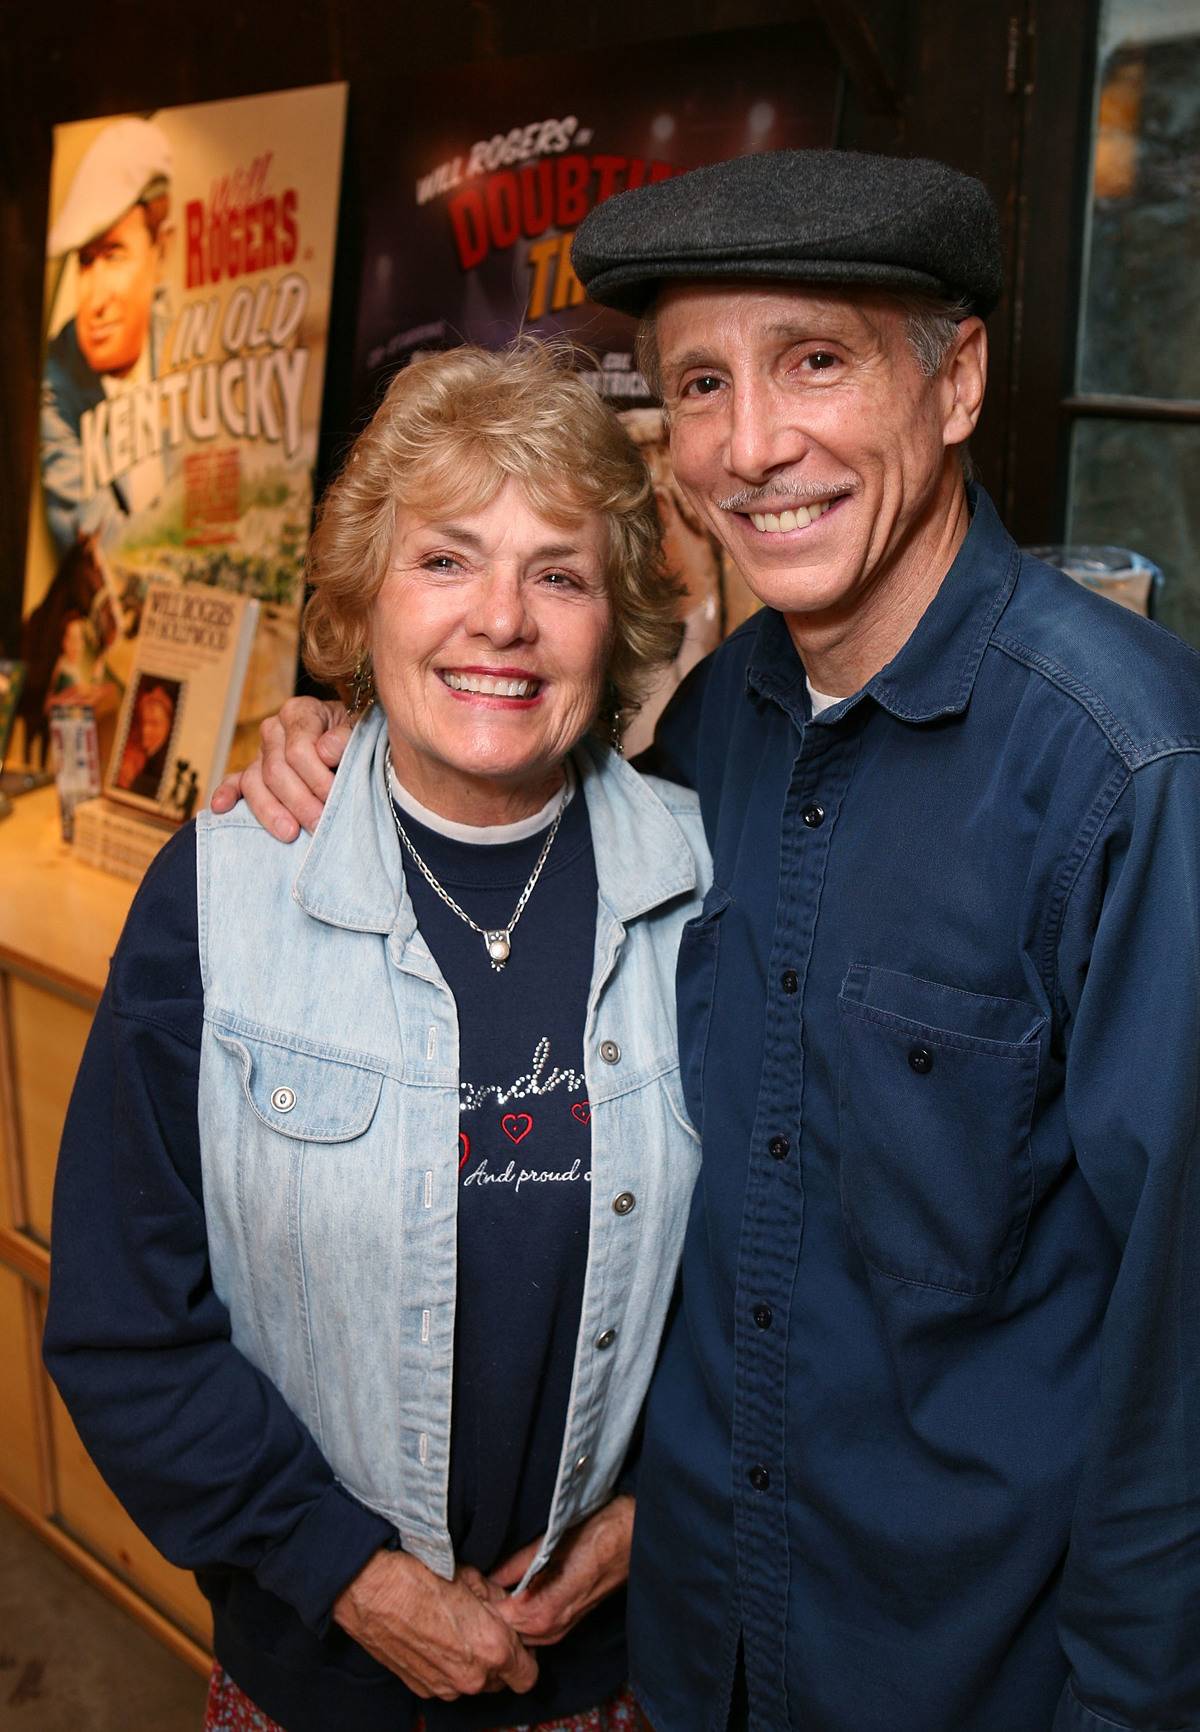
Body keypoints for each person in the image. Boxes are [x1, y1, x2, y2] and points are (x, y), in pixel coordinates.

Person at [223, 149, 1200, 1732]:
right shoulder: (705, 746)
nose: (756, 445)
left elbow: (1182, 1374)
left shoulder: (1129, 775)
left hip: (968, 1680)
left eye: (815, 360)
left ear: (953, 383)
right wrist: (325, 746)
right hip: (697, 1657)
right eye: (699, 382)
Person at [44, 341, 710, 1732]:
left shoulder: (708, 896)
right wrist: (350, 1579)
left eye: (560, 573)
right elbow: (120, 1327)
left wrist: (658, 1513)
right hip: (314, 1683)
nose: (502, 621)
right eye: (447, 560)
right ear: (361, 603)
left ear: (620, 619)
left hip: (614, 1677)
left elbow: (789, 1287)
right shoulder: (223, 895)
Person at [40, 116, 173, 557]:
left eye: (114, 256)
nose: (94, 300)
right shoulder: (55, 386)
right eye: (85, 262)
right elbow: (106, 549)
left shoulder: (190, 340)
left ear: (162, 253)